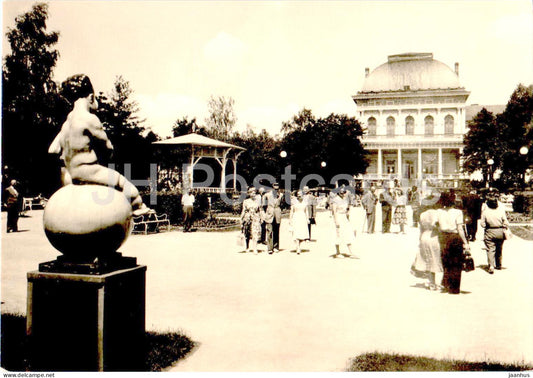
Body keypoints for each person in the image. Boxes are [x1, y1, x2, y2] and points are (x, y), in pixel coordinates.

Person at [48, 74, 149, 216]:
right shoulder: (90, 119)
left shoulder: (66, 124)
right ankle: (139, 207)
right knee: (123, 183)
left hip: (70, 175)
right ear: (91, 97)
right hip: (88, 170)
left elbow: (53, 150)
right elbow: (108, 148)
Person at [436, 191, 470, 294]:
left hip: (443, 237)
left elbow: (436, 226)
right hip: (454, 237)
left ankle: (446, 284)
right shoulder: (457, 212)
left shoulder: (439, 212)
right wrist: (465, 242)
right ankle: (454, 288)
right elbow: (460, 228)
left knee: (446, 261)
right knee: (456, 263)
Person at [411, 205, 443, 290]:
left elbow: (421, 230)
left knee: (428, 259)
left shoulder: (422, 215)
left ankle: (431, 282)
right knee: (436, 259)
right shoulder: (437, 213)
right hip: (434, 236)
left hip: (424, 236)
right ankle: (438, 282)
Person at [480, 188, 510, 274]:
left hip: (490, 231)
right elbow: (506, 222)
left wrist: (487, 225)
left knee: (490, 249)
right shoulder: (500, 211)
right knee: (499, 248)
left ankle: (491, 266)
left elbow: (482, 224)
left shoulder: (485, 212)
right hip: (500, 231)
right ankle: (499, 264)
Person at [331, 187, 356, 258]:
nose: (343, 194)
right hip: (338, 217)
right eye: (341, 192)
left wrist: (348, 214)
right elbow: (334, 211)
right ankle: (338, 252)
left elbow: (347, 209)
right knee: (338, 235)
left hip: (344, 217)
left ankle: (351, 252)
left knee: (348, 233)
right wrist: (336, 221)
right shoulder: (335, 200)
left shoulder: (345, 200)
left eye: (344, 192)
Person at [241, 187, 262, 254]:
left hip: (255, 218)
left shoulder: (258, 202)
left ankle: (255, 248)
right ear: (249, 193)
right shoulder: (246, 201)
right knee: (247, 233)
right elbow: (243, 211)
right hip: (247, 218)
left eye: (255, 192)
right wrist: (241, 219)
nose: (254, 194)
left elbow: (260, 210)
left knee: (255, 233)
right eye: (252, 192)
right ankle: (247, 247)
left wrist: (261, 218)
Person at [264, 182, 283, 254]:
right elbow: (264, 205)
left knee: (276, 231)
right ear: (272, 186)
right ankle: (269, 248)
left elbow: (282, 204)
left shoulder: (281, 195)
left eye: (277, 185)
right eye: (275, 185)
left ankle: (276, 246)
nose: (276, 186)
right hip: (269, 214)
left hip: (277, 213)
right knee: (269, 231)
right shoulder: (267, 195)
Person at [289, 190, 309, 254]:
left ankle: (299, 245)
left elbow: (306, 211)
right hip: (296, 217)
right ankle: (298, 247)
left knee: (302, 233)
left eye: (300, 194)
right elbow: (292, 211)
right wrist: (290, 219)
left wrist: (307, 219)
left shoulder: (305, 202)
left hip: (302, 218)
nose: (299, 195)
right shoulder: (294, 202)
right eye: (298, 194)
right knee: (296, 232)